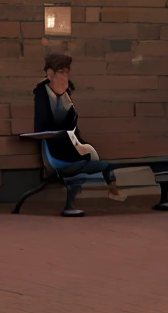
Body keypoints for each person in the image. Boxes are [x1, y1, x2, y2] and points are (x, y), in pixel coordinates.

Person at [32, 52, 124, 208]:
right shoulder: (43, 95)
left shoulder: (65, 95)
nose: (65, 77)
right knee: (102, 164)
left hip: (69, 147)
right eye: (61, 72)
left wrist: (79, 143)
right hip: (57, 153)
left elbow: (72, 127)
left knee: (96, 158)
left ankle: (113, 192)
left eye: (67, 72)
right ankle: (112, 192)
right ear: (50, 74)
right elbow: (44, 127)